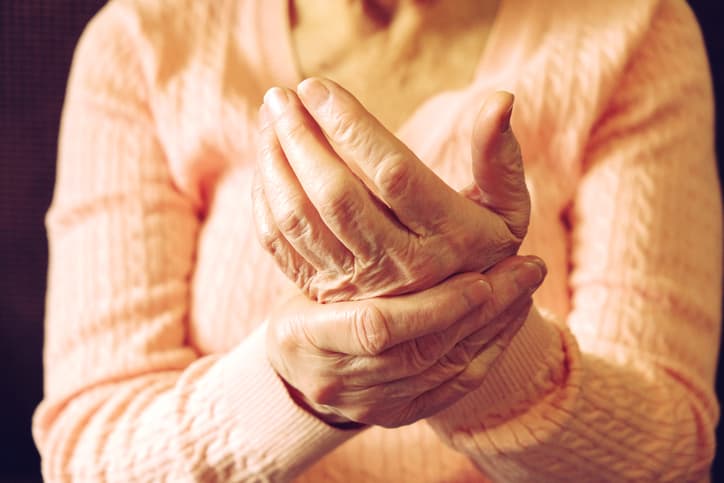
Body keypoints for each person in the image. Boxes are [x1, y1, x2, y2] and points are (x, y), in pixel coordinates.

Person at [32, 0, 722, 481]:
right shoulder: (145, 43)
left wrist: (482, 332)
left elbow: (668, 452)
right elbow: (91, 452)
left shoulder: (634, 29)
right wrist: (296, 386)